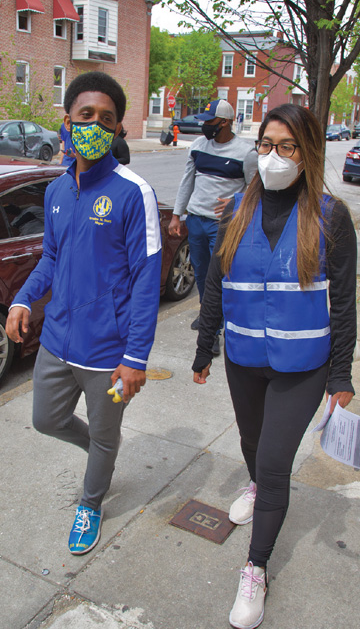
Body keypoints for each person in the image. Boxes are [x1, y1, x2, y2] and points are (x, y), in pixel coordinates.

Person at [192, 103, 356, 629]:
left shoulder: (330, 216)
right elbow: (217, 283)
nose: (274, 156)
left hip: (302, 366)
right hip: (243, 357)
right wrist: (205, 347)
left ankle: (255, 567)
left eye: (287, 147)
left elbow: (345, 303)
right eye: (266, 145)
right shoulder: (236, 207)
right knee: (251, 445)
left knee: (274, 461)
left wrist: (340, 376)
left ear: (306, 153)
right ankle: (257, 484)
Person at [6, 71, 162, 556]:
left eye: (107, 119)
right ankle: (101, 449)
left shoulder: (134, 192)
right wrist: (21, 299)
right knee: (46, 420)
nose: (95, 124)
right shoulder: (56, 191)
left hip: (107, 353)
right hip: (56, 341)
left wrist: (136, 358)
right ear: (68, 122)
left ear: (117, 130)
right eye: (86, 116)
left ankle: (90, 502)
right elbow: (51, 258)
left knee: (105, 437)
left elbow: (146, 281)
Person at [169, 99, 256, 356]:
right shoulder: (197, 147)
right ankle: (209, 316)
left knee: (219, 276)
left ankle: (214, 330)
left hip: (224, 224)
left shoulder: (246, 153)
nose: (205, 125)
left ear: (225, 122)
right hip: (196, 219)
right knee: (202, 273)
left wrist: (236, 202)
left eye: (210, 121)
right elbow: (187, 182)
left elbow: (254, 190)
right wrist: (176, 215)